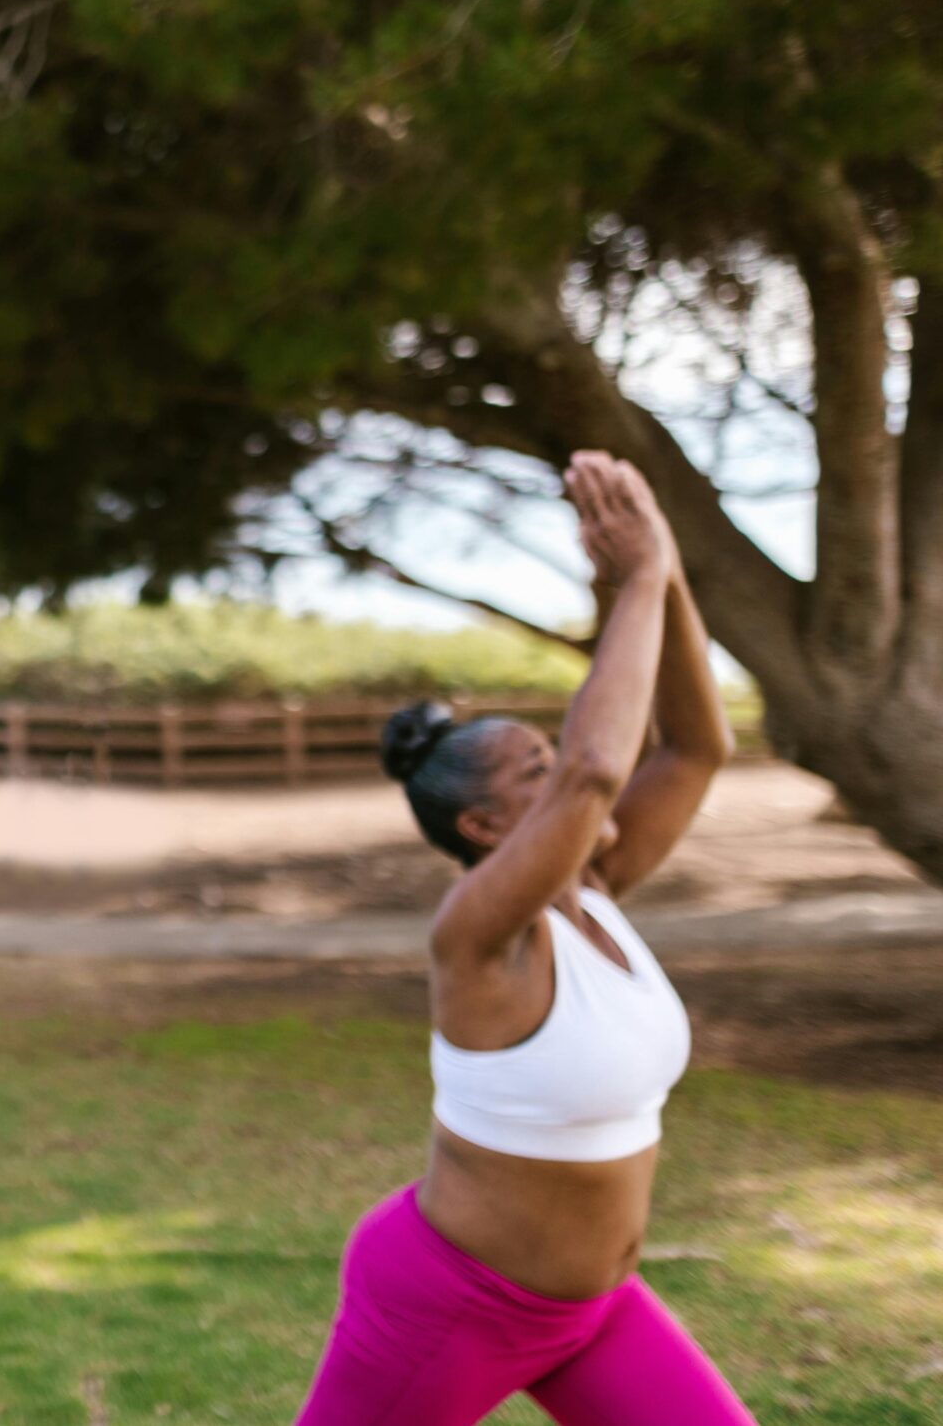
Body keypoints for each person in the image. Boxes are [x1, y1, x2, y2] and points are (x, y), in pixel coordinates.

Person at [293, 451, 751, 1423]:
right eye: (528, 777)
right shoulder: (474, 939)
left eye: (548, 760)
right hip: (452, 1305)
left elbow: (695, 746)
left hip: (596, 1308)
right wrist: (632, 578)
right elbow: (593, 769)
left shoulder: (597, 889)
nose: (567, 783)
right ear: (484, 832)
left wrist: (662, 574)